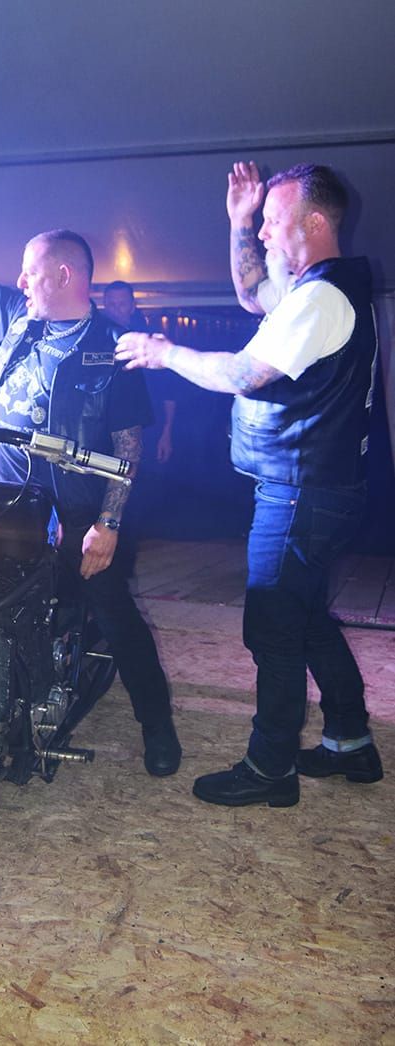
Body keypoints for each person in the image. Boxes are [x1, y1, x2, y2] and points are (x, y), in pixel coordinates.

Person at [0, 186, 181, 776]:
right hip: (0, 507)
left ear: (64, 274)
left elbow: (129, 446)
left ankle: (157, 725)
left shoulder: (113, 348)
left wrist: (108, 524)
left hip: (77, 514)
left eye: (31, 272)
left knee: (114, 614)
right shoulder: (17, 319)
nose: (19, 281)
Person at [116, 161, 382, 806]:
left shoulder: (322, 298)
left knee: (273, 626)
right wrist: (238, 220)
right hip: (312, 485)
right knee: (304, 616)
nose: (263, 231)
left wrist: (164, 353)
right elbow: (250, 292)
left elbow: (241, 374)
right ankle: (349, 742)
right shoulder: (312, 288)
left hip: (303, 488)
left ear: (313, 222)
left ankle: (270, 769)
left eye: (271, 219)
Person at [103, 280, 176, 465]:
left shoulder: (151, 343)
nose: (116, 309)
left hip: (150, 430)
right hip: (108, 434)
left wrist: (167, 432)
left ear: (132, 306)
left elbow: (169, 392)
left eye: (122, 304)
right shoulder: (96, 341)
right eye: (111, 304)